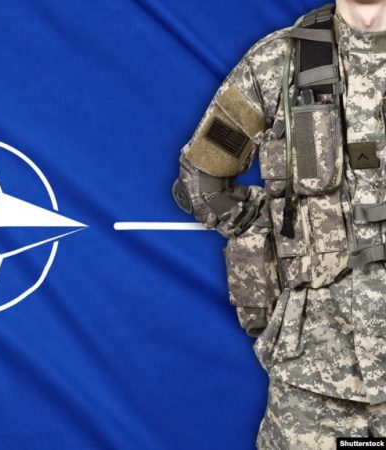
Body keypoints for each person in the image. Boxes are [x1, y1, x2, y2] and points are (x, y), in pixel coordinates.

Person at [172, 0, 386, 447]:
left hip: (309, 373)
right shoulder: (278, 62)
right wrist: (284, 233)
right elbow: (201, 182)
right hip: (314, 385)